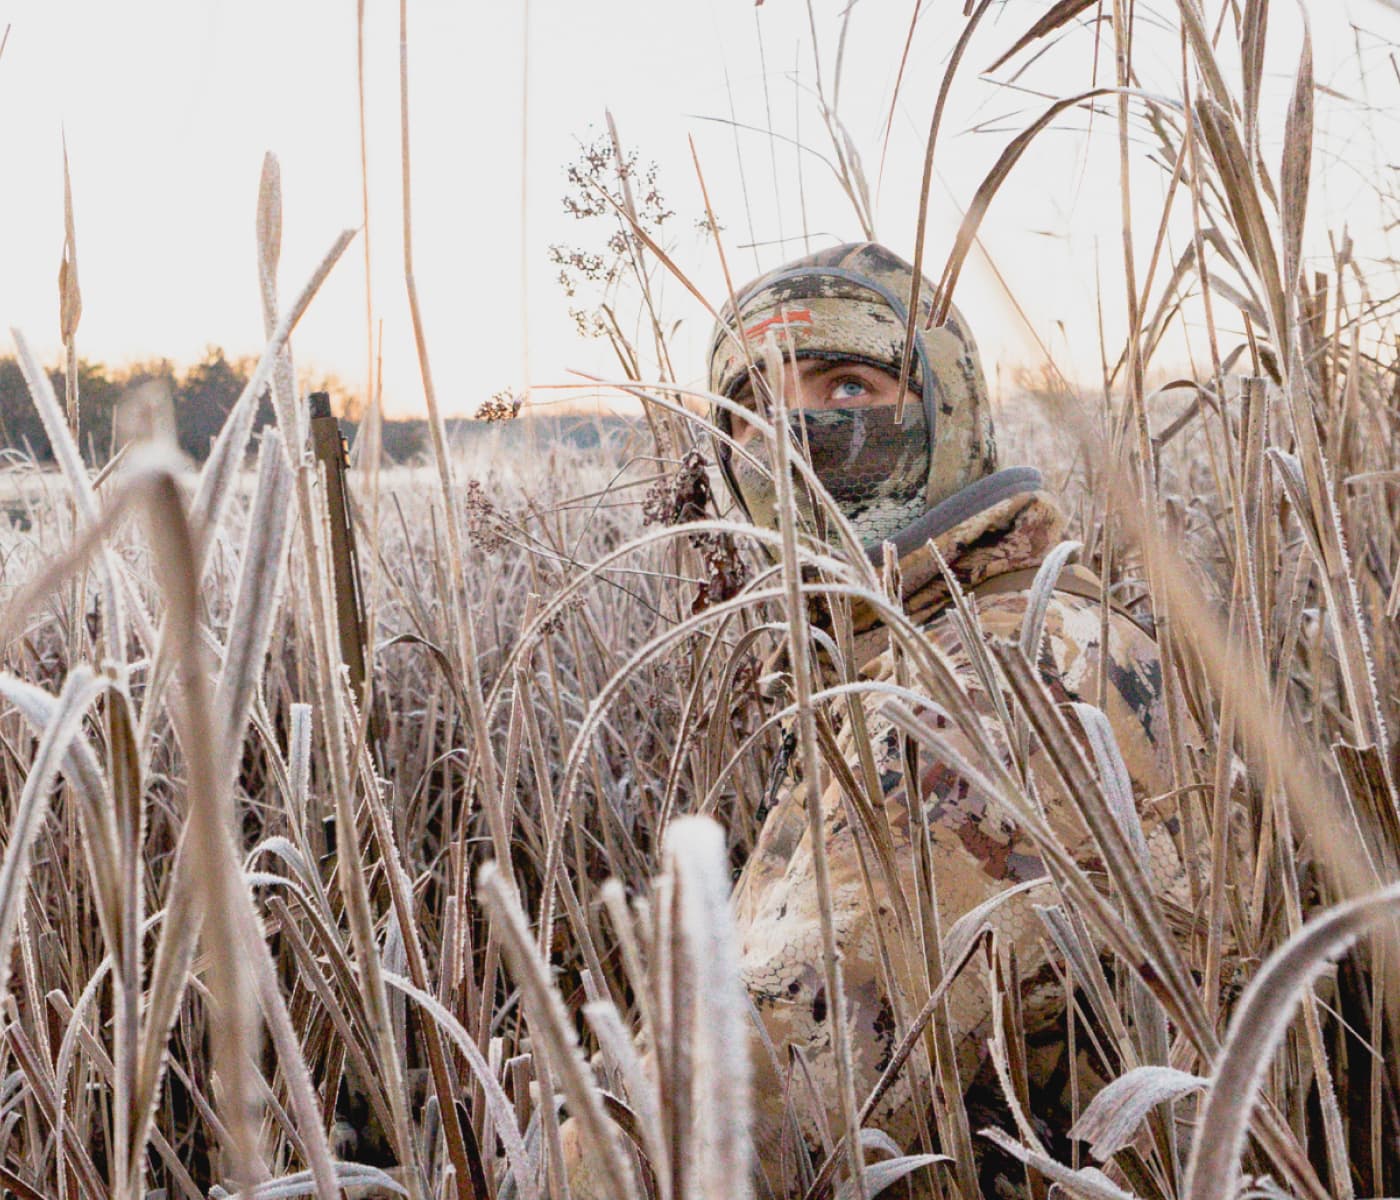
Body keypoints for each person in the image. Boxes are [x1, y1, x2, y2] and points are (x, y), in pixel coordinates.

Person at [571, 242, 1190, 1198]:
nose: (798, 433)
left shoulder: (986, 682)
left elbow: (754, 1115)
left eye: (851, 387)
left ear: (949, 410)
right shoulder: (922, 639)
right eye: (754, 407)